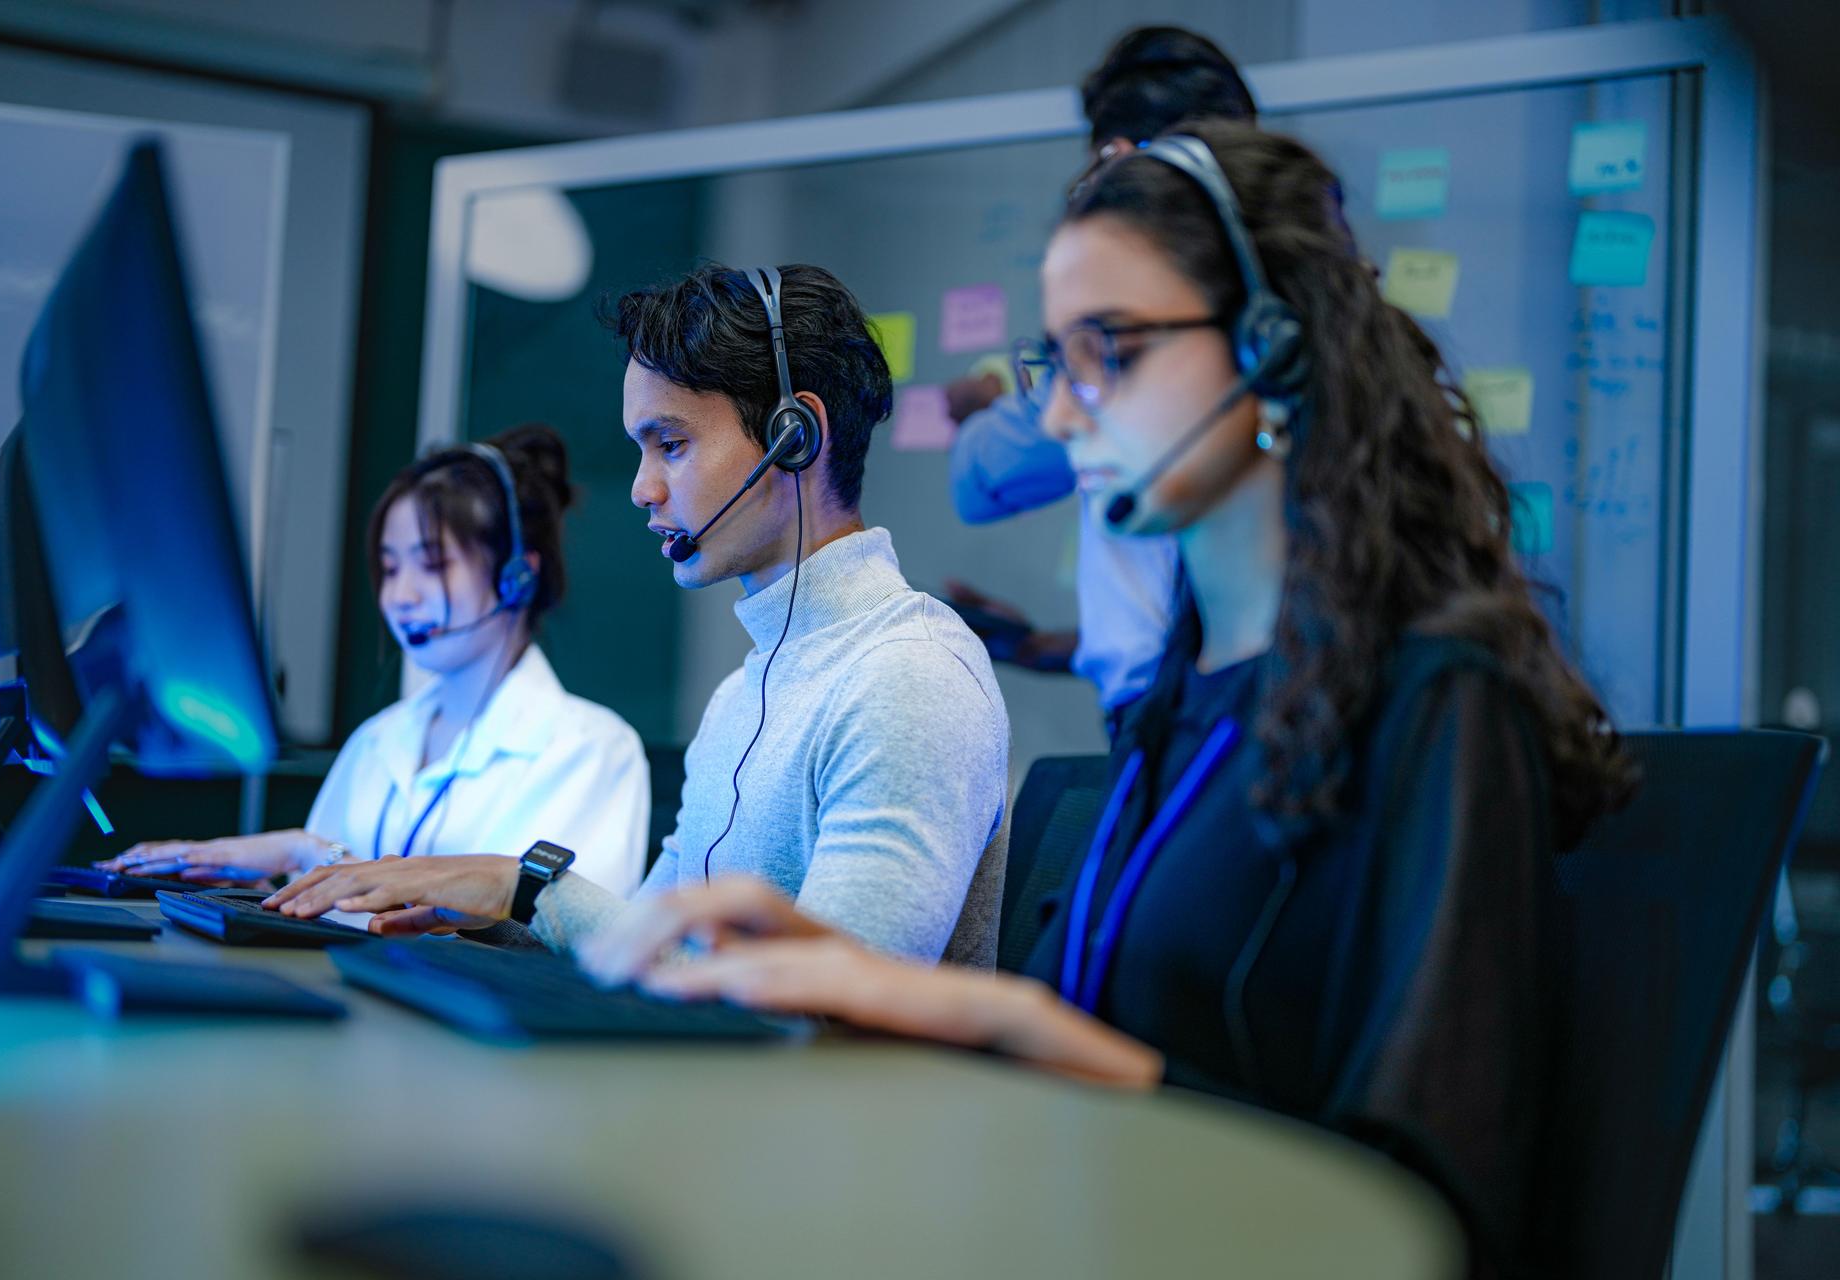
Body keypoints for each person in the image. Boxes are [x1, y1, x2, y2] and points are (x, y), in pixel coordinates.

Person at [567, 124, 1640, 1277]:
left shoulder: (1439, 703)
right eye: (1059, 363)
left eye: (1111, 352)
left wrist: (1008, 1019)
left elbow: (1421, 1200)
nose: (1064, 416)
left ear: (1270, 346)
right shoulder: (1188, 700)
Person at [261, 264, 1011, 967]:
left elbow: (840, 1002)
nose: (642, 489)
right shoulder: (743, 696)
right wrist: (489, 911)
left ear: (795, 436)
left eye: (672, 445)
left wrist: (526, 886)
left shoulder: (910, 676)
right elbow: (644, 949)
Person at [98, 424, 651, 896]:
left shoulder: (591, 750)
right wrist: (245, 888)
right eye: (390, 569)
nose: (400, 596)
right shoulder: (377, 741)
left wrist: (310, 854)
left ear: (517, 577)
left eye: (432, 565)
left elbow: (555, 935)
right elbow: (320, 909)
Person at [946, 26, 1257, 733]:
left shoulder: (1166, 338)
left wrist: (992, 405)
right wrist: (1050, 648)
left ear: (1116, 159)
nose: (1066, 413)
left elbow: (983, 475)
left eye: (1095, 353)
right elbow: (1166, 610)